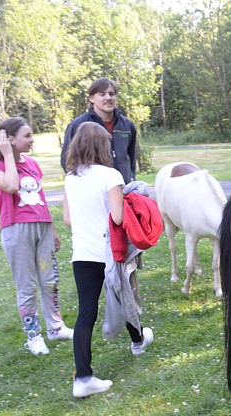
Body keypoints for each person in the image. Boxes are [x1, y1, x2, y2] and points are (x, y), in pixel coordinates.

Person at [63, 122, 153, 398]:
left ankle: (84, 378)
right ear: (103, 147)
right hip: (109, 252)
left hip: (82, 253)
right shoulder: (110, 176)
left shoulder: (70, 177)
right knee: (123, 295)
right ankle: (138, 342)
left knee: (86, 312)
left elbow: (67, 219)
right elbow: (117, 217)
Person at [0, 117, 74, 355]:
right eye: (27, 136)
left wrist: (52, 228)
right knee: (27, 285)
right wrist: (7, 155)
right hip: (16, 229)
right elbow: (12, 187)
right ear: (9, 139)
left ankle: (55, 327)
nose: (32, 140)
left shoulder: (33, 164)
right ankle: (33, 336)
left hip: (42, 227)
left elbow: (41, 199)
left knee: (50, 280)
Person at [61, 77, 138, 184]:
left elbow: (132, 158)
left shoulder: (127, 125)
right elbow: (67, 160)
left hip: (122, 188)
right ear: (92, 98)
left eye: (111, 94)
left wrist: (130, 179)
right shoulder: (78, 125)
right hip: (93, 189)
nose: (108, 98)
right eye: (102, 94)